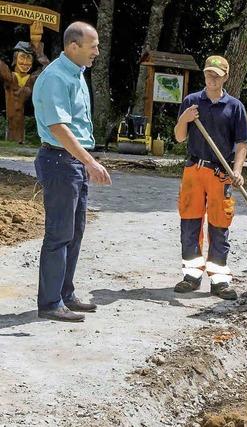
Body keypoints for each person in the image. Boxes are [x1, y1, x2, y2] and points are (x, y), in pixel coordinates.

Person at [32, 22, 112, 322]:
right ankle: (50, 303)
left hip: (73, 162)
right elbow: (58, 127)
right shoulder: (55, 77)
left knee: (74, 232)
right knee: (59, 234)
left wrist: (85, 162)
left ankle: (65, 294)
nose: (97, 52)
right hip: (59, 161)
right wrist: (90, 162)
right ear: (72, 46)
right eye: (93, 46)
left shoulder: (76, 75)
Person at [173, 55, 247, 300]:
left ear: (225, 77)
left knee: (219, 225)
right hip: (194, 170)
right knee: (190, 223)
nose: (212, 79)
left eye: (216, 75)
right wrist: (184, 119)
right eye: (209, 74)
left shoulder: (235, 106)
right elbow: (178, 137)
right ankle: (192, 276)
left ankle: (219, 280)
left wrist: (237, 170)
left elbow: (241, 143)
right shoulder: (192, 102)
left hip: (221, 173)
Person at [0, 22, 50, 143]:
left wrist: (37, 46)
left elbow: (48, 69)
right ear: (15, 59)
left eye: (29, 59)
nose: (25, 62)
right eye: (22, 57)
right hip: (11, 123)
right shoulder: (10, 77)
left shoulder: (31, 79)